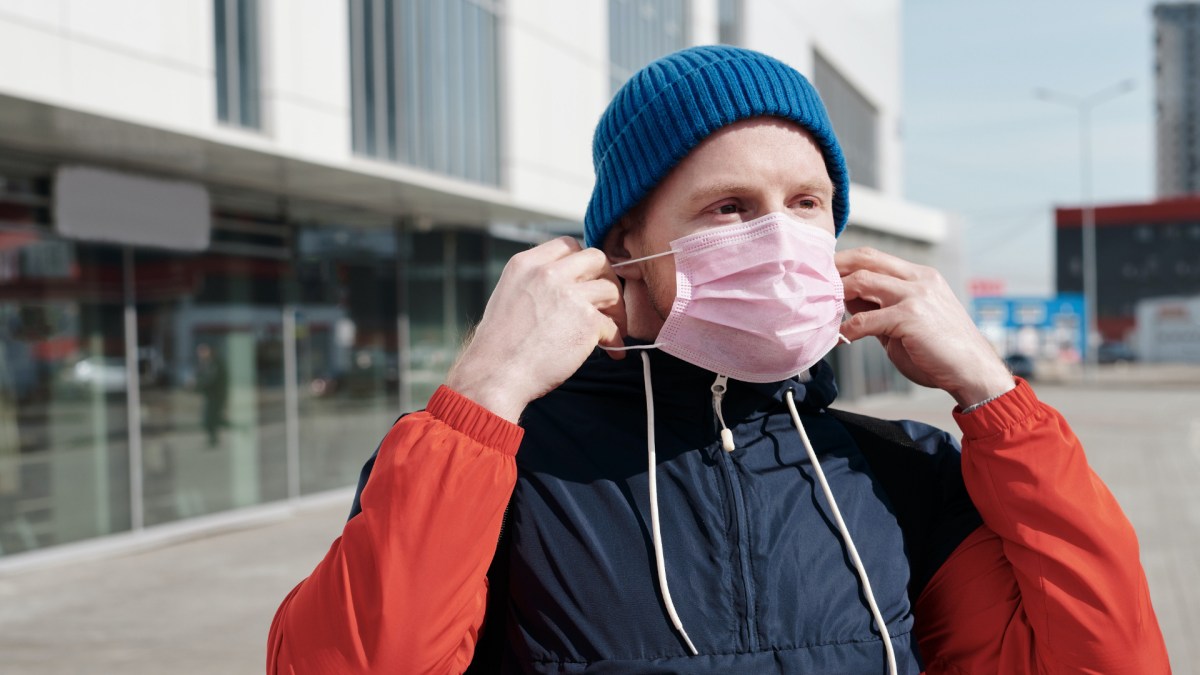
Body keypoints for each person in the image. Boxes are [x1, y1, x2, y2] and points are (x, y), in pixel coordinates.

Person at [267, 46, 1168, 674]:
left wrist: (993, 393)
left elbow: (1106, 658)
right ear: (628, 246)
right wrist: (484, 394)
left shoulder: (906, 474)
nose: (777, 234)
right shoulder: (498, 470)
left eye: (806, 201)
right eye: (730, 206)